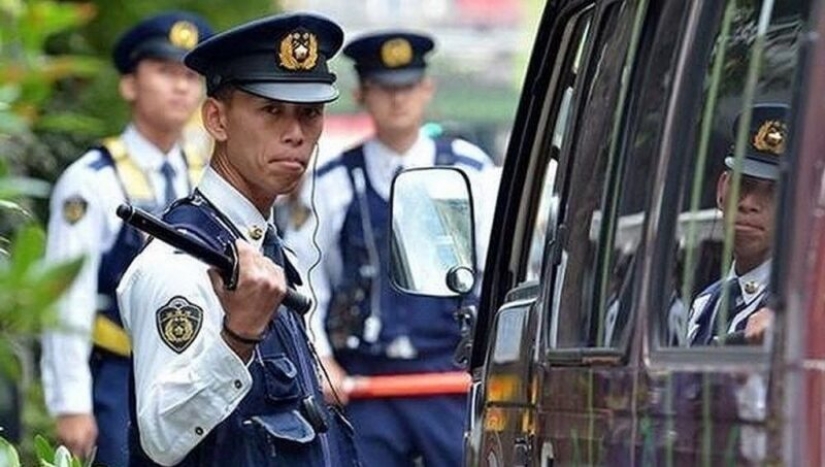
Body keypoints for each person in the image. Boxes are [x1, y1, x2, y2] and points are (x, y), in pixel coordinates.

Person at [116, 12, 360, 467]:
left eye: (310, 113)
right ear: (217, 120)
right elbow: (161, 437)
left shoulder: (262, 245)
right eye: (271, 111)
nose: (296, 134)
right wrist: (238, 336)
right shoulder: (181, 263)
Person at [283, 31, 496, 466]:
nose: (398, 100)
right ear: (362, 93)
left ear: (427, 89)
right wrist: (321, 358)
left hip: (450, 379)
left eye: (408, 87)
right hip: (365, 383)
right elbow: (305, 277)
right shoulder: (334, 181)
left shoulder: (469, 170)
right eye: (384, 88)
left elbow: (500, 268)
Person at [39, 11, 213, 465]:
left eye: (191, 75)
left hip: (199, 372)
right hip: (121, 375)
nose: (181, 87)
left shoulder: (209, 179)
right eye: (165, 72)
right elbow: (66, 299)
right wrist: (71, 403)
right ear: (130, 84)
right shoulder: (91, 181)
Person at [686, 103, 786, 346]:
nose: (749, 203)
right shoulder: (705, 305)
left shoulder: (803, 311)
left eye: (773, 191)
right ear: (722, 190)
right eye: (743, 183)